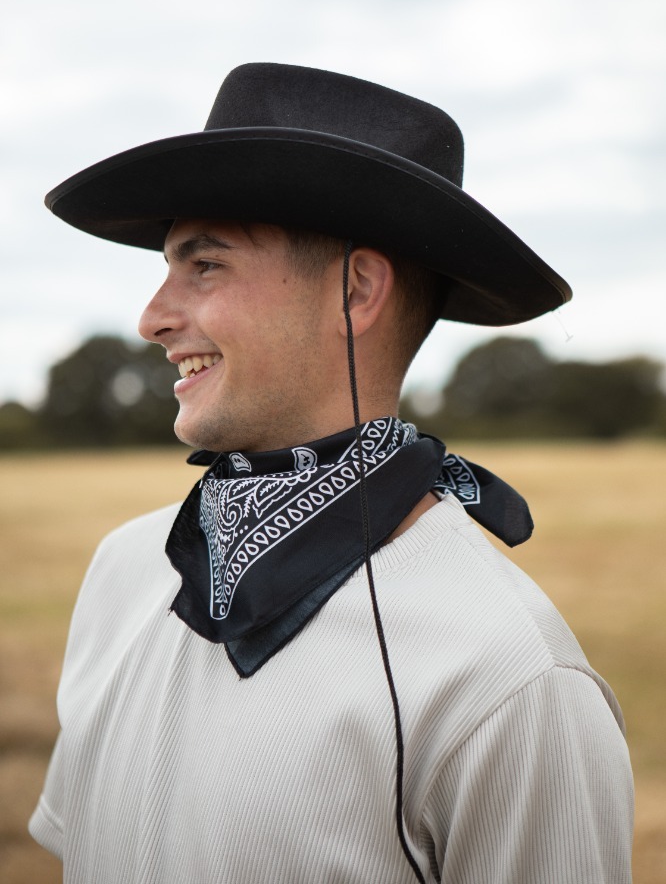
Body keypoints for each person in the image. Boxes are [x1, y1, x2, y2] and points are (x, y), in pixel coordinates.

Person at [30, 63, 633, 883]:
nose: (153, 317)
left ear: (355, 290)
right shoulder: (123, 572)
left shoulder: (507, 680)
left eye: (204, 265)